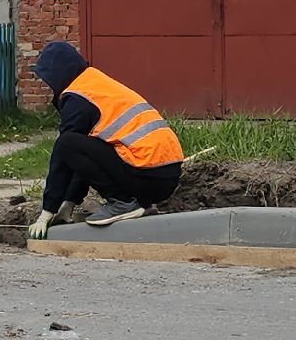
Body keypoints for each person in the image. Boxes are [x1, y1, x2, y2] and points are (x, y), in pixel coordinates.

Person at [27, 40, 184, 239]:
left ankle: (122, 202)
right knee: (78, 144)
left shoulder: (78, 97)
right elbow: (86, 158)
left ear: (57, 73)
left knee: (66, 143)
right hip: (164, 178)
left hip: (145, 174)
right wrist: (69, 204)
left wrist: (47, 211)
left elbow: (63, 156)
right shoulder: (95, 84)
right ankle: (135, 203)